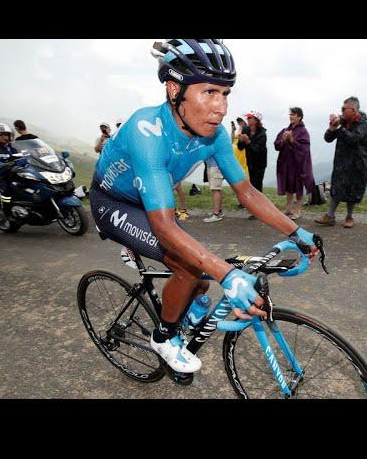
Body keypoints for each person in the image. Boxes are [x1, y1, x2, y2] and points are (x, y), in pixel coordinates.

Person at [90, 39, 319, 374]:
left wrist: (297, 231)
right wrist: (228, 275)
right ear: (173, 89)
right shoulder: (146, 130)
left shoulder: (214, 135)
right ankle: (164, 337)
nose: (221, 107)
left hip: (153, 201)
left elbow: (248, 193)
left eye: (225, 94)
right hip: (114, 203)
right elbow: (165, 227)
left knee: (199, 274)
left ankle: (191, 302)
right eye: (209, 92)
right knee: (190, 266)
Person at [315, 96, 367, 228]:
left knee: (352, 189)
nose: (341, 111)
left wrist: (340, 128)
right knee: (336, 187)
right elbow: (328, 138)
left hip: (357, 163)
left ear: (353, 110)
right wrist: (331, 128)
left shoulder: (364, 125)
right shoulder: (343, 122)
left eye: (344, 109)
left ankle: (349, 217)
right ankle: (330, 216)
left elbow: (353, 139)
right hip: (341, 161)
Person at [275, 107, 314, 220]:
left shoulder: (303, 131)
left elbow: (305, 149)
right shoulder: (285, 130)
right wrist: (283, 140)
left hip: (298, 164)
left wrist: (292, 140)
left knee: (298, 187)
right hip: (286, 163)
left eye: (293, 114)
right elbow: (277, 145)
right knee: (288, 186)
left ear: (299, 117)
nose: (291, 116)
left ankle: (298, 210)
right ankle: (288, 209)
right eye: (290, 114)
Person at [0, 122, 23, 215]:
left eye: (6, 134)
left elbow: (28, 154)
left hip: (15, 173)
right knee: (6, 188)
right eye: (0, 135)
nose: (4, 137)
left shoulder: (13, 147)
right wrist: (10, 164)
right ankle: (7, 211)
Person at [238, 110, 267, 219]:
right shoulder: (246, 130)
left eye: (250, 118)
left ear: (256, 120)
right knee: (252, 185)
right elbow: (241, 148)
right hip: (250, 162)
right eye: (248, 118)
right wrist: (241, 141)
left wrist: (247, 142)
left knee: (257, 186)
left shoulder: (262, 134)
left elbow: (257, 151)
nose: (248, 119)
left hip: (260, 163)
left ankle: (260, 211)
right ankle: (256, 209)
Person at [203, 157, 224, 222]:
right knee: (216, 189)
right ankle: (218, 211)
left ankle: (216, 214)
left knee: (215, 189)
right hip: (211, 165)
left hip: (215, 166)